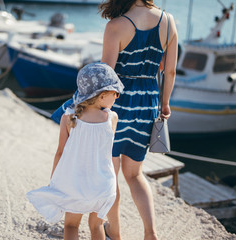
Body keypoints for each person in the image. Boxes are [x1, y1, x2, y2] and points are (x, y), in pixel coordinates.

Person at [98, 0, 178, 240]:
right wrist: (164, 104)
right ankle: (150, 233)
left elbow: (107, 75)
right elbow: (170, 71)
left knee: (110, 174)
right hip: (148, 103)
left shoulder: (116, 25)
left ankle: (115, 231)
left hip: (118, 104)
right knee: (135, 175)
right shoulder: (168, 21)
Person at [27, 62, 124, 240]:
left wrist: (54, 181)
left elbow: (60, 153)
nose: (117, 96)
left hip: (74, 185)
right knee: (97, 226)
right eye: (115, 92)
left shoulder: (69, 117)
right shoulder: (112, 118)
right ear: (102, 96)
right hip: (102, 184)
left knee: (71, 226)